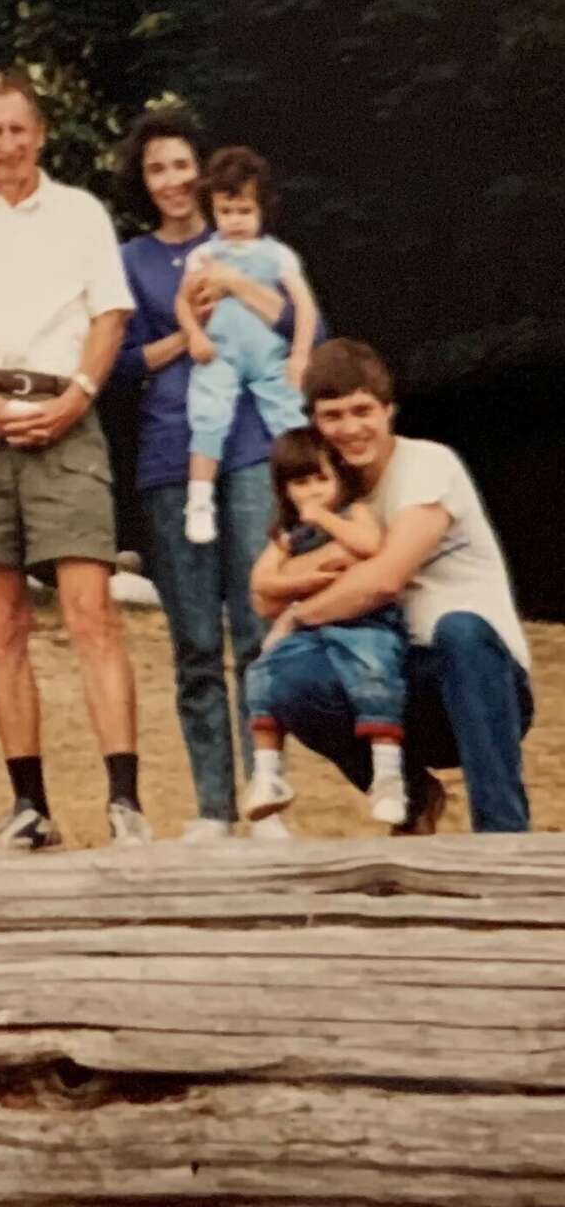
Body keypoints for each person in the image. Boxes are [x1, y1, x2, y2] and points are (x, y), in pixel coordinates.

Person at [0, 71, 144, 850]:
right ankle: (29, 805)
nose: (7, 144)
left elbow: (109, 317)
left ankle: (124, 802)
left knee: (90, 612)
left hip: (64, 416)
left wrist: (77, 397)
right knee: (2, 620)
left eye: (19, 128)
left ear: (40, 132)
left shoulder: (78, 213)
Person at [112, 106, 303, 841]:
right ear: (143, 177)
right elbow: (120, 363)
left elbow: (294, 326)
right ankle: (213, 806)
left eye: (182, 163)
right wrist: (179, 334)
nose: (171, 180)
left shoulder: (247, 239)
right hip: (169, 452)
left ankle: (269, 792)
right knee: (194, 640)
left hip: (251, 445)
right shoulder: (130, 261)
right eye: (156, 167)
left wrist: (234, 294)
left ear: (206, 168)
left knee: (257, 626)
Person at [250, 339, 534, 834]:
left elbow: (384, 579)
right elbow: (261, 593)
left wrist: (299, 610)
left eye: (363, 410)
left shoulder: (427, 466)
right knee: (290, 676)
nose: (351, 428)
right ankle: (410, 797)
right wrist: (323, 561)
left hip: (476, 680)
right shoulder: (328, 490)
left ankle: (502, 831)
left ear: (389, 410)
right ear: (315, 422)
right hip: (384, 678)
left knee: (460, 630)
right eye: (333, 415)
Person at [244, 428, 406, 826]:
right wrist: (309, 580)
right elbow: (262, 583)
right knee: (263, 673)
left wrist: (326, 519)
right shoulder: (287, 535)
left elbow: (370, 546)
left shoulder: (354, 513)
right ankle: (268, 774)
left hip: (363, 621)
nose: (313, 491)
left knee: (373, 673)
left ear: (339, 479)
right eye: (301, 482)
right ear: (285, 490)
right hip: (309, 630)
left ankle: (388, 776)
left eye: (322, 479)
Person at [173, 147, 320, 546]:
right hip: (220, 353)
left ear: (261, 210)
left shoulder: (277, 255)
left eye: (244, 211)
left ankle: (304, 505)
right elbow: (182, 303)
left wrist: (301, 355)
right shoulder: (204, 255)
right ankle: (199, 500)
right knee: (208, 415)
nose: (235, 221)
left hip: (270, 356)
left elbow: (305, 309)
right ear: (212, 210)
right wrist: (196, 336)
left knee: (291, 423)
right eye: (226, 211)